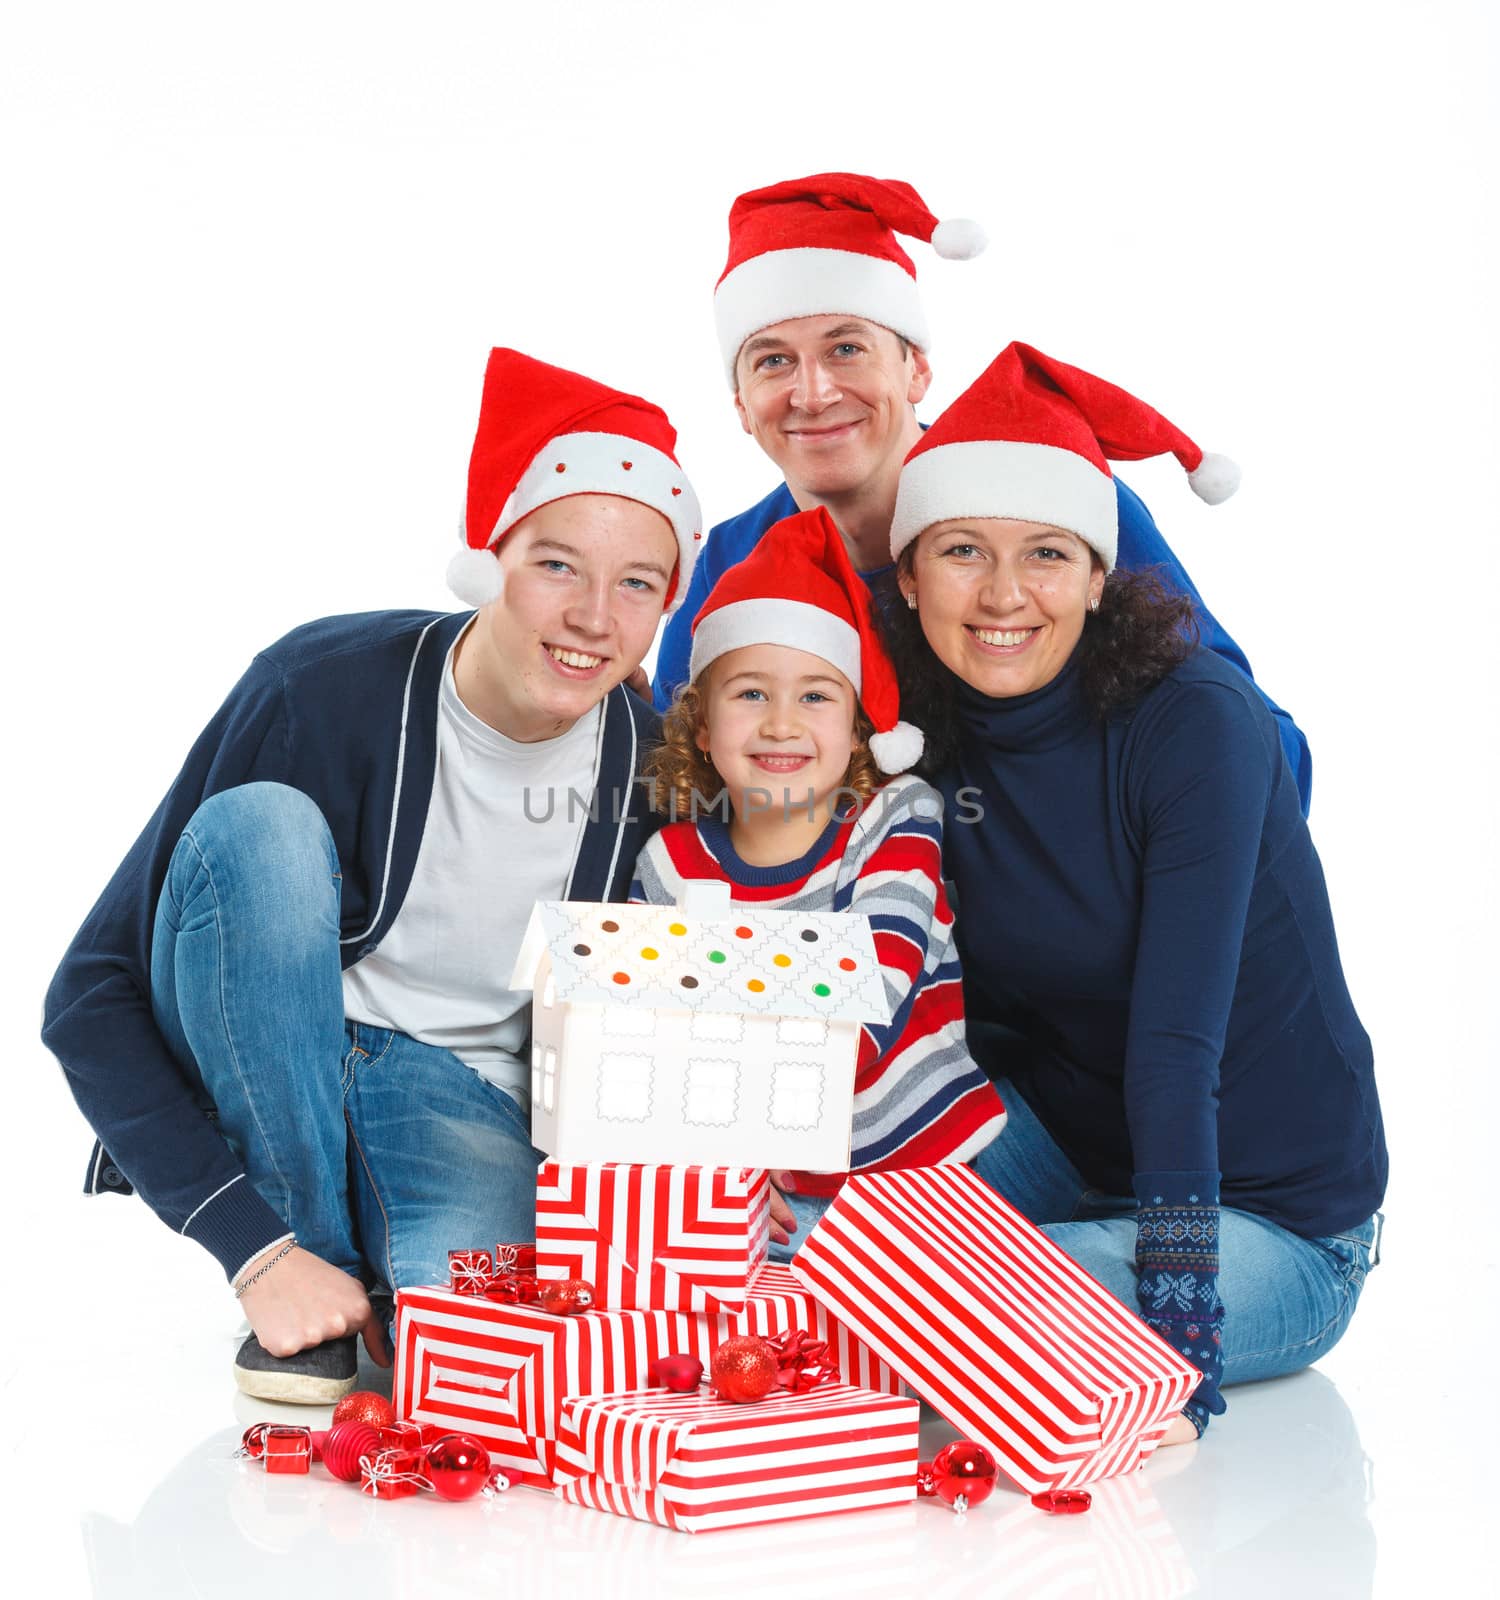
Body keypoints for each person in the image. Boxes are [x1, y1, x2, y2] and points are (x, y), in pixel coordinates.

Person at [42, 349, 703, 1403]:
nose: (594, 618)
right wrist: (252, 1245)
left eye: (638, 584)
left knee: (490, 1363)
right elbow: (89, 992)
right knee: (260, 830)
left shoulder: (655, 753)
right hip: (276, 1030)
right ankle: (308, 1249)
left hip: (457, 1094)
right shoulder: (321, 683)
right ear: (492, 560)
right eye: (557, 565)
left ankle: (386, 1284)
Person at [885, 341, 1386, 1441]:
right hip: (1063, 1147)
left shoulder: (1197, 721)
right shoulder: (916, 733)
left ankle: (1087, 1311)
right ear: (911, 572)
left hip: (1266, 1216)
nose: (1004, 594)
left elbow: (1176, 1045)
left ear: (1102, 574)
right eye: (963, 549)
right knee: (828, 1251)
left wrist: (1177, 1320)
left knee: (944, 1313)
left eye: (1048, 554)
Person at [650, 172, 1313, 814]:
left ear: (918, 370)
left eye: (847, 348)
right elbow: (670, 782)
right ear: (740, 404)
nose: (814, 392)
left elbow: (1262, 752)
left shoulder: (1053, 496)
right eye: (772, 360)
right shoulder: (728, 560)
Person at [632, 505, 1006, 1249]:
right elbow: (654, 1036)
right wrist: (716, 1168)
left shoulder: (893, 820)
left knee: (872, 1325)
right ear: (703, 728)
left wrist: (750, 1144)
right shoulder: (670, 864)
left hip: (919, 1171)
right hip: (760, 1182)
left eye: (814, 695)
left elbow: (869, 985)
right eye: (749, 694)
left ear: (858, 727)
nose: (780, 723)